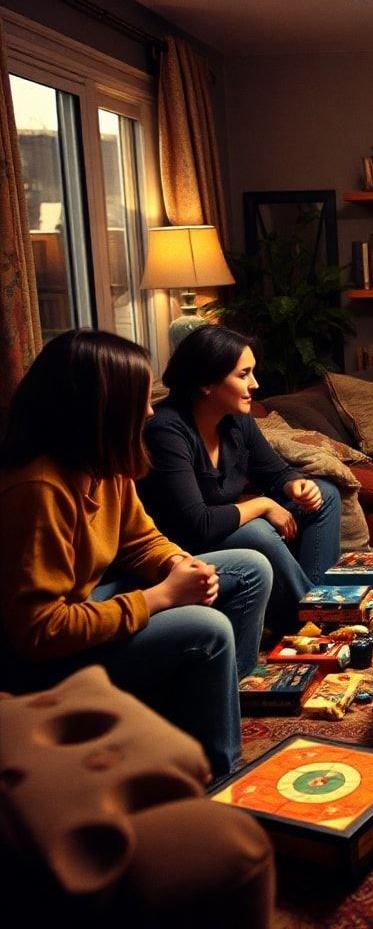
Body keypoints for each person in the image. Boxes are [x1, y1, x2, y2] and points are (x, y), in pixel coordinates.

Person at [0, 330, 272, 776]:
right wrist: (161, 597)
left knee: (248, 566)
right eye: (141, 401)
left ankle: (222, 708)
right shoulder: (39, 488)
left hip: (94, 602)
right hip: (43, 658)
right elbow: (39, 631)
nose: (149, 412)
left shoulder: (105, 464)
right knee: (207, 628)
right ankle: (219, 775)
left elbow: (141, 539)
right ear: (100, 408)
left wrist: (178, 564)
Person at [138, 325, 341, 620]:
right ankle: (316, 616)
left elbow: (276, 472)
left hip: (227, 525)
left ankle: (314, 601)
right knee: (258, 532)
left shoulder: (235, 418)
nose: (255, 384)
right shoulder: (165, 430)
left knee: (325, 493)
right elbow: (198, 524)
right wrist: (263, 504)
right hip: (184, 546)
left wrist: (295, 485)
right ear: (206, 383)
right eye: (243, 374)